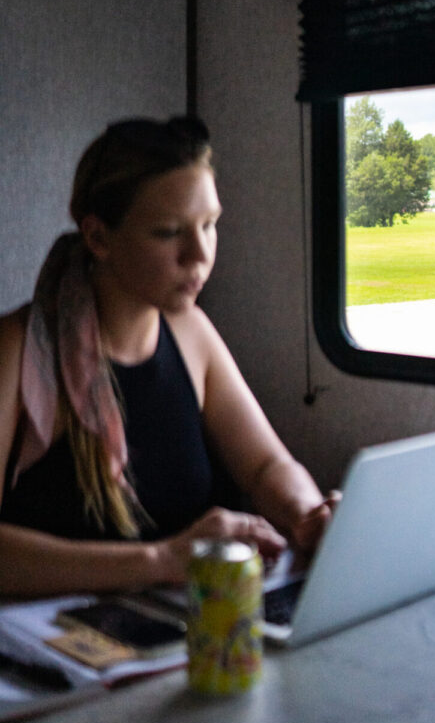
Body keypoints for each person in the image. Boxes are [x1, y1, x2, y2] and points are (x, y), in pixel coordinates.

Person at [0, 116, 338, 598]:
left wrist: (309, 515)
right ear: (98, 238)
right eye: (168, 232)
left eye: (210, 224)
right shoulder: (17, 349)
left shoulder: (190, 331)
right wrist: (161, 560)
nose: (199, 253)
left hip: (182, 630)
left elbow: (264, 465)